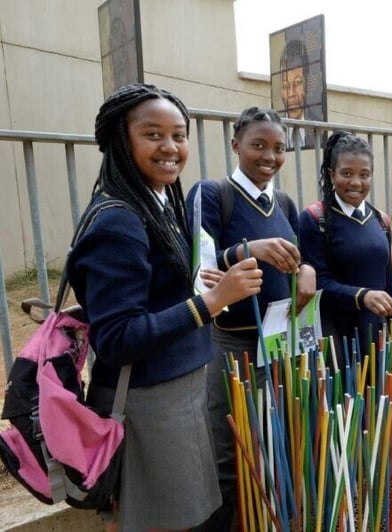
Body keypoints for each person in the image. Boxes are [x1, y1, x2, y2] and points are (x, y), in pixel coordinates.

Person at [66, 83, 263, 531]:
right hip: (151, 406)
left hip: (181, 394)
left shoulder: (158, 200)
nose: (170, 147)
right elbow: (116, 339)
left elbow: (161, 282)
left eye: (179, 134)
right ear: (122, 139)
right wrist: (212, 301)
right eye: (153, 134)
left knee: (192, 518)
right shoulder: (119, 219)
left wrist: (208, 282)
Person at [185, 106, 316, 531]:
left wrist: (306, 269)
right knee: (227, 447)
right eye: (258, 145)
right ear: (236, 144)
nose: (269, 156)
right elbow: (199, 274)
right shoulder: (211, 194)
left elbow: (297, 260)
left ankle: (268, 520)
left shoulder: (283, 201)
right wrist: (246, 250)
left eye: (279, 148)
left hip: (278, 342)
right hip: (231, 344)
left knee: (276, 438)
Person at [298, 131, 392, 367]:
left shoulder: (380, 220)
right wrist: (362, 296)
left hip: (376, 336)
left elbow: (388, 284)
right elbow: (318, 284)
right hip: (334, 338)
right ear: (332, 174)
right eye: (347, 174)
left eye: (364, 175)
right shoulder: (315, 219)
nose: (356, 182)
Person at [279, 39, 321, 149]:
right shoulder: (274, 129)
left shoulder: (319, 128)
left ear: (307, 82)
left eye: (297, 83)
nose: (291, 94)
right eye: (285, 86)